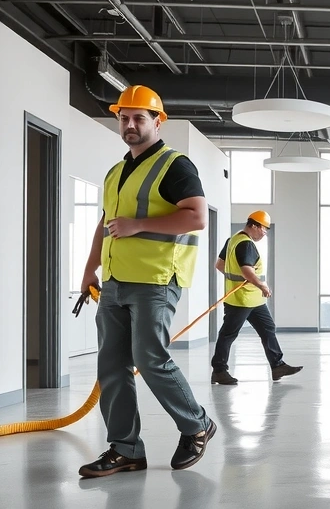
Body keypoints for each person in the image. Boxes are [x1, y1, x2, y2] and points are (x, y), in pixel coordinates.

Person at [78, 85, 217, 478]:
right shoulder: (116, 171)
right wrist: (90, 269)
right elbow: (106, 225)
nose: (130, 124)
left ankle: (197, 425)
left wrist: (138, 225)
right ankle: (125, 449)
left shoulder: (176, 165)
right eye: (124, 117)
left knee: (149, 357)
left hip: (156, 279)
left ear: (158, 122)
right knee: (111, 365)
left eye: (140, 117)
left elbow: (196, 217)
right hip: (115, 281)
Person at [211, 210, 302, 384]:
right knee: (228, 334)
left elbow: (220, 265)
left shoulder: (233, 240)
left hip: (252, 300)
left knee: (268, 328)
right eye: (263, 228)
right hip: (242, 300)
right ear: (253, 225)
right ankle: (219, 370)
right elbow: (247, 270)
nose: (264, 232)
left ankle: (277, 366)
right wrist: (261, 285)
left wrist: (236, 277)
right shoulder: (246, 244)